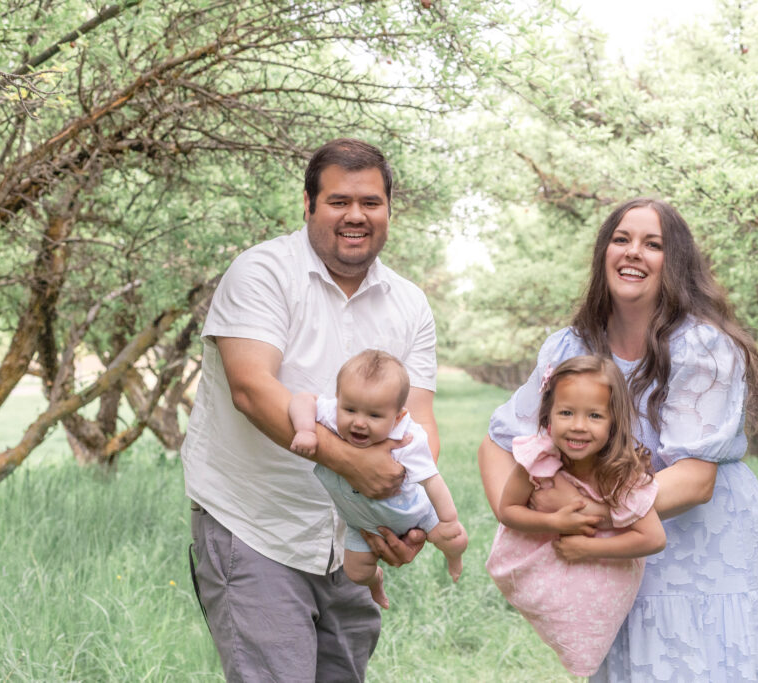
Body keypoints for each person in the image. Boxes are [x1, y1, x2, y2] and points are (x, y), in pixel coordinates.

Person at [478, 198, 758, 681]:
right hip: (613, 561)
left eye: (653, 244)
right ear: (603, 253)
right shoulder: (570, 347)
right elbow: (499, 441)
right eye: (621, 239)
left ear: (674, 264)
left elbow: (695, 481)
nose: (634, 253)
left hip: (703, 553)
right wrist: (529, 518)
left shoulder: (704, 347)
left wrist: (590, 514)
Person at [182, 138, 439, 682]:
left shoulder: (409, 303)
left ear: (389, 210)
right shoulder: (261, 273)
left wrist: (402, 507)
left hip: (349, 534)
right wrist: (356, 465)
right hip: (256, 527)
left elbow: (418, 420)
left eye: (371, 202)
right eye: (338, 201)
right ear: (308, 204)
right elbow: (251, 389)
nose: (356, 215)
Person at [486, 354, 665, 677]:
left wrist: (587, 547)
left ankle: (583, 658)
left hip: (603, 569)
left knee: (589, 622)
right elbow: (508, 511)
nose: (579, 426)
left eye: (595, 415)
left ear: (614, 423)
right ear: (549, 416)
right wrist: (553, 522)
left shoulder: (621, 474)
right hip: (545, 565)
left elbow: (653, 538)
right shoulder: (538, 459)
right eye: (566, 413)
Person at [289, 349, 467, 610]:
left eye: (374, 416)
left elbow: (432, 480)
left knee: (455, 538)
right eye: (349, 409)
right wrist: (305, 430)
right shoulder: (332, 414)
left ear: (398, 416)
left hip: (414, 515)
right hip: (361, 523)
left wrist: (449, 520)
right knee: (356, 573)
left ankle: (454, 558)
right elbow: (303, 399)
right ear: (338, 400)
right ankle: (375, 582)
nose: (359, 422)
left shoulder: (407, 437)